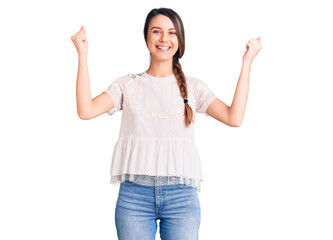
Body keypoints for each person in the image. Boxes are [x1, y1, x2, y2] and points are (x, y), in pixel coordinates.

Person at [71, 7, 262, 240]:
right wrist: (82, 55)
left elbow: (234, 117)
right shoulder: (127, 85)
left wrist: (247, 62)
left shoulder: (193, 87)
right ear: (146, 37)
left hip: (181, 197)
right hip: (134, 198)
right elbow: (86, 110)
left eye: (172, 33)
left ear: (180, 40)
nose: (164, 39)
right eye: (156, 31)